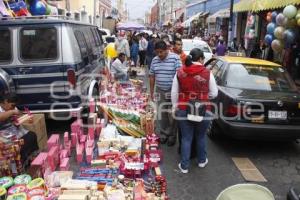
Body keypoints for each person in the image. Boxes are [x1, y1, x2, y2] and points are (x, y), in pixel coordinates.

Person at [171, 48, 218, 173]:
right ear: (201, 59)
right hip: (204, 109)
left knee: (186, 138)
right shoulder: (207, 73)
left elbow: (174, 92)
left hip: (183, 108)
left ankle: (184, 166)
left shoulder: (180, 72)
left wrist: (174, 107)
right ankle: (202, 161)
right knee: (201, 136)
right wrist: (203, 96)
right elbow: (214, 93)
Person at [149, 40, 182, 146]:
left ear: (166, 50)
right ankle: (164, 134)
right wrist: (151, 92)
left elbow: (180, 75)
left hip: (173, 90)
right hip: (159, 89)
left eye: (161, 52)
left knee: (173, 114)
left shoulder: (175, 58)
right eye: (157, 52)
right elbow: (152, 76)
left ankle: (172, 135)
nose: (159, 54)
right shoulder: (154, 60)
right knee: (161, 113)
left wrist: (178, 92)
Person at [0, 93, 39, 167]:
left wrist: (20, 118)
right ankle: (22, 163)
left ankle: (32, 158)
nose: (13, 107)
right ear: (5, 101)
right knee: (19, 146)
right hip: (3, 134)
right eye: (12, 105)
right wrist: (12, 112)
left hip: (14, 130)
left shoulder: (12, 108)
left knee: (32, 135)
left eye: (14, 106)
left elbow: (18, 114)